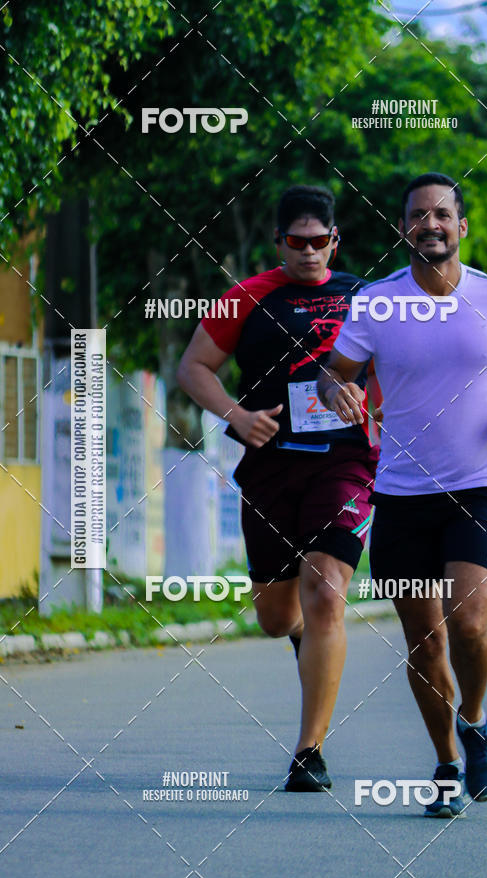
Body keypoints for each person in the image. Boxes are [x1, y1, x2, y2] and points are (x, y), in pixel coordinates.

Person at [317, 172, 487, 816]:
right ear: (403, 229)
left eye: (442, 214)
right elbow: (334, 374)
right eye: (419, 215)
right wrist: (338, 391)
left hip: (485, 487)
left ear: (461, 226)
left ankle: (475, 720)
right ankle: (447, 764)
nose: (431, 224)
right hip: (401, 496)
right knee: (424, 640)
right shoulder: (376, 303)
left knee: (469, 625)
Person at [177, 185, 379, 791]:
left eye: (320, 241)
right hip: (270, 466)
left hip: (345, 463)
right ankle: (298, 636)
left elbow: (399, 369)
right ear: (278, 243)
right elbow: (193, 367)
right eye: (297, 241)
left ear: (335, 241)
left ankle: (309, 753)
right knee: (275, 615)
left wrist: (373, 400)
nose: (309, 252)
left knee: (326, 592)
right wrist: (237, 417)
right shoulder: (247, 297)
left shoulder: (364, 297)